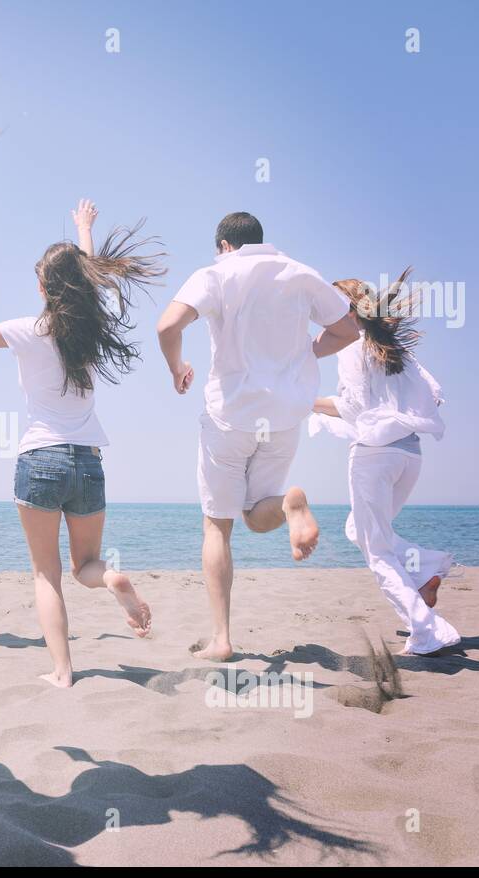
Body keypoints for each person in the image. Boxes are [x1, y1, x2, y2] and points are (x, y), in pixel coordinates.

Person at [0, 199, 160, 687]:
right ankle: (111, 579)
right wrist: (85, 232)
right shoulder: (93, 332)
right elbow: (88, 286)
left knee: (46, 576)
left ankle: (63, 672)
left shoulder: (28, 330)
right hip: (88, 461)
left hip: (40, 458)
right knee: (85, 564)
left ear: (43, 288)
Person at [156, 212, 357, 662]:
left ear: (225, 245)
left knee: (218, 527)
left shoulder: (217, 273)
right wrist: (307, 350)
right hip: (285, 417)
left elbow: (167, 326)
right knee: (256, 513)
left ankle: (222, 639)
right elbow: (348, 329)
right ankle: (290, 503)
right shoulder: (301, 274)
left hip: (230, 417)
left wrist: (177, 367)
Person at [310, 269, 460, 655]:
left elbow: (353, 406)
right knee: (358, 531)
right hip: (409, 454)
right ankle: (426, 568)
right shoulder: (393, 347)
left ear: (347, 312)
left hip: (374, 456)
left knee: (376, 551)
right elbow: (435, 394)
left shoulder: (350, 348)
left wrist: (308, 402)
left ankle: (426, 631)